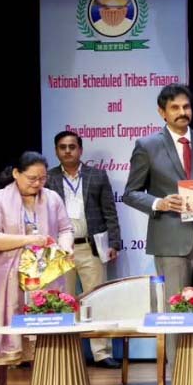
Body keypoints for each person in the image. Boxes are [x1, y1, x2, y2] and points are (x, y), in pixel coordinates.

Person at [124, 83, 193, 377]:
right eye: (175, 108)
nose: (182, 112)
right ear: (162, 112)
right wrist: (159, 203)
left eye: (186, 107)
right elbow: (131, 193)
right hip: (170, 239)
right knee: (175, 311)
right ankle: (180, 379)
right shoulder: (147, 146)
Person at [0, 153, 74, 385]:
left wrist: (65, 247)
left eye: (42, 178)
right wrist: (29, 240)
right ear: (16, 173)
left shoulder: (52, 198)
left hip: (46, 274)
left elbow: (66, 229)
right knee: (4, 322)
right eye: (32, 178)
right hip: (8, 277)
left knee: (46, 323)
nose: (38, 183)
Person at [46, 131, 123, 368]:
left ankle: (102, 353)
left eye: (72, 146)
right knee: (63, 301)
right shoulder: (48, 178)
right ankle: (65, 353)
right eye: (62, 147)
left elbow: (109, 211)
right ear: (56, 151)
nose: (67, 151)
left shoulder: (97, 176)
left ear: (80, 150)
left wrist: (114, 243)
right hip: (61, 250)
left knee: (96, 299)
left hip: (91, 247)